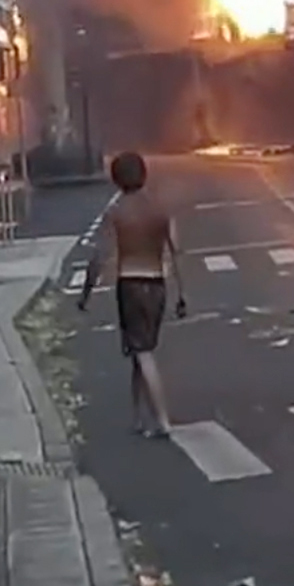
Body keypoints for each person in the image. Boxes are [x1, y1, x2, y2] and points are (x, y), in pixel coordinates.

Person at [78, 151, 187, 436]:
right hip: (157, 285)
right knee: (138, 350)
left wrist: (86, 293)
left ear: (116, 179)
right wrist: (181, 294)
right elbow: (176, 250)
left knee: (142, 352)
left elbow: (99, 256)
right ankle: (138, 416)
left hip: (131, 285)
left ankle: (162, 420)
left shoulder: (116, 212)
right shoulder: (161, 208)